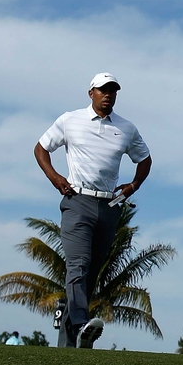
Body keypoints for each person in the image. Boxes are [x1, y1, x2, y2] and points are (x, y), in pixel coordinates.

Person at [34, 72, 152, 348]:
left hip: (109, 207)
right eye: (103, 90)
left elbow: (144, 159)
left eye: (112, 90)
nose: (108, 94)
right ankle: (80, 324)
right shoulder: (70, 120)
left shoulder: (126, 128)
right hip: (77, 201)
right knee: (78, 265)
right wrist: (56, 179)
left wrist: (133, 185)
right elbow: (41, 148)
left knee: (91, 272)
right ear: (91, 93)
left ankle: (71, 339)